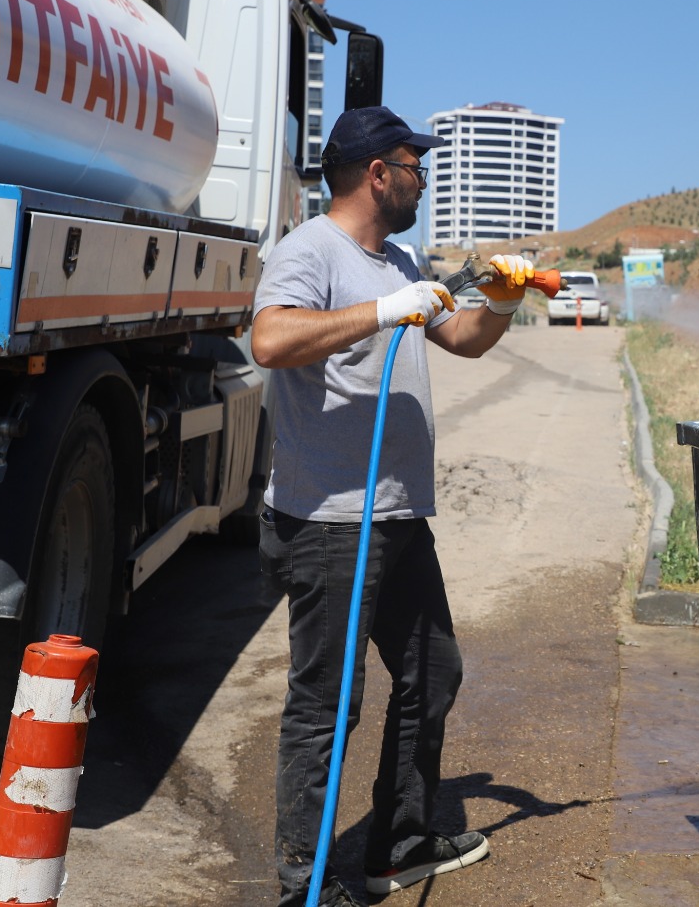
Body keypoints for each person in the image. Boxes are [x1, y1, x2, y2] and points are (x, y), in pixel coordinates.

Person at [250, 105, 534, 906]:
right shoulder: (311, 250)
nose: (423, 178)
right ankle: (300, 886)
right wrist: (381, 311)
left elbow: (464, 338)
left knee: (431, 674)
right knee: (327, 707)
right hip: (333, 524)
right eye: (415, 164)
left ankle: (397, 845)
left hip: (399, 516)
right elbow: (268, 340)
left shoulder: (401, 258)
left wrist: (503, 302)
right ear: (379, 173)